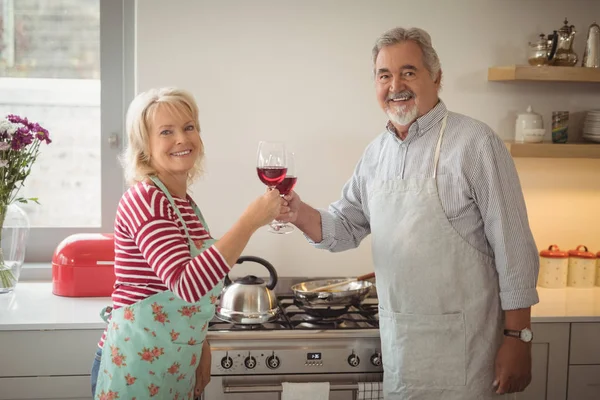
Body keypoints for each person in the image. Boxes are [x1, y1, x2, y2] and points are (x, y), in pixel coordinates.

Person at [278, 27, 540, 399]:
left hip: (467, 350)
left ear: (437, 77)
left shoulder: (475, 144)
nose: (395, 84)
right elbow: (345, 228)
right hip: (403, 348)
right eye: (384, 75)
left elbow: (514, 249)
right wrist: (299, 211)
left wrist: (519, 337)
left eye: (408, 72)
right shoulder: (375, 154)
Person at [90, 87, 285, 399]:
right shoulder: (147, 200)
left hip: (175, 362)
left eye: (189, 127)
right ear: (145, 147)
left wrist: (201, 341)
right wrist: (250, 221)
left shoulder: (184, 203)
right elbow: (186, 283)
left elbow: (187, 286)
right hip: (135, 366)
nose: (182, 139)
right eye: (166, 132)